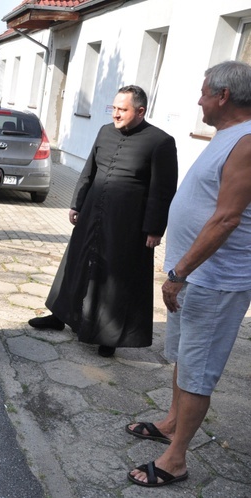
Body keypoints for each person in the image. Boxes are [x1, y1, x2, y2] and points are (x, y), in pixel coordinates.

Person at [127, 60, 251, 488]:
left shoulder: (248, 142)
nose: (198, 99)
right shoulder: (228, 135)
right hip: (194, 276)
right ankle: (171, 422)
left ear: (223, 96)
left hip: (214, 280)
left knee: (199, 369)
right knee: (184, 356)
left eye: (203, 92)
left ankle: (176, 460)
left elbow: (227, 219)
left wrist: (179, 271)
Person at [28, 85, 178, 358]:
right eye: (114, 108)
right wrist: (77, 202)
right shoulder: (104, 131)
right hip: (92, 213)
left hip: (128, 223)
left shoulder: (161, 142)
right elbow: (90, 169)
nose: (116, 115)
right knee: (76, 264)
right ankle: (60, 315)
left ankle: (109, 335)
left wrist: (155, 229)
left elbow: (163, 190)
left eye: (123, 110)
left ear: (141, 111)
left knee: (116, 278)